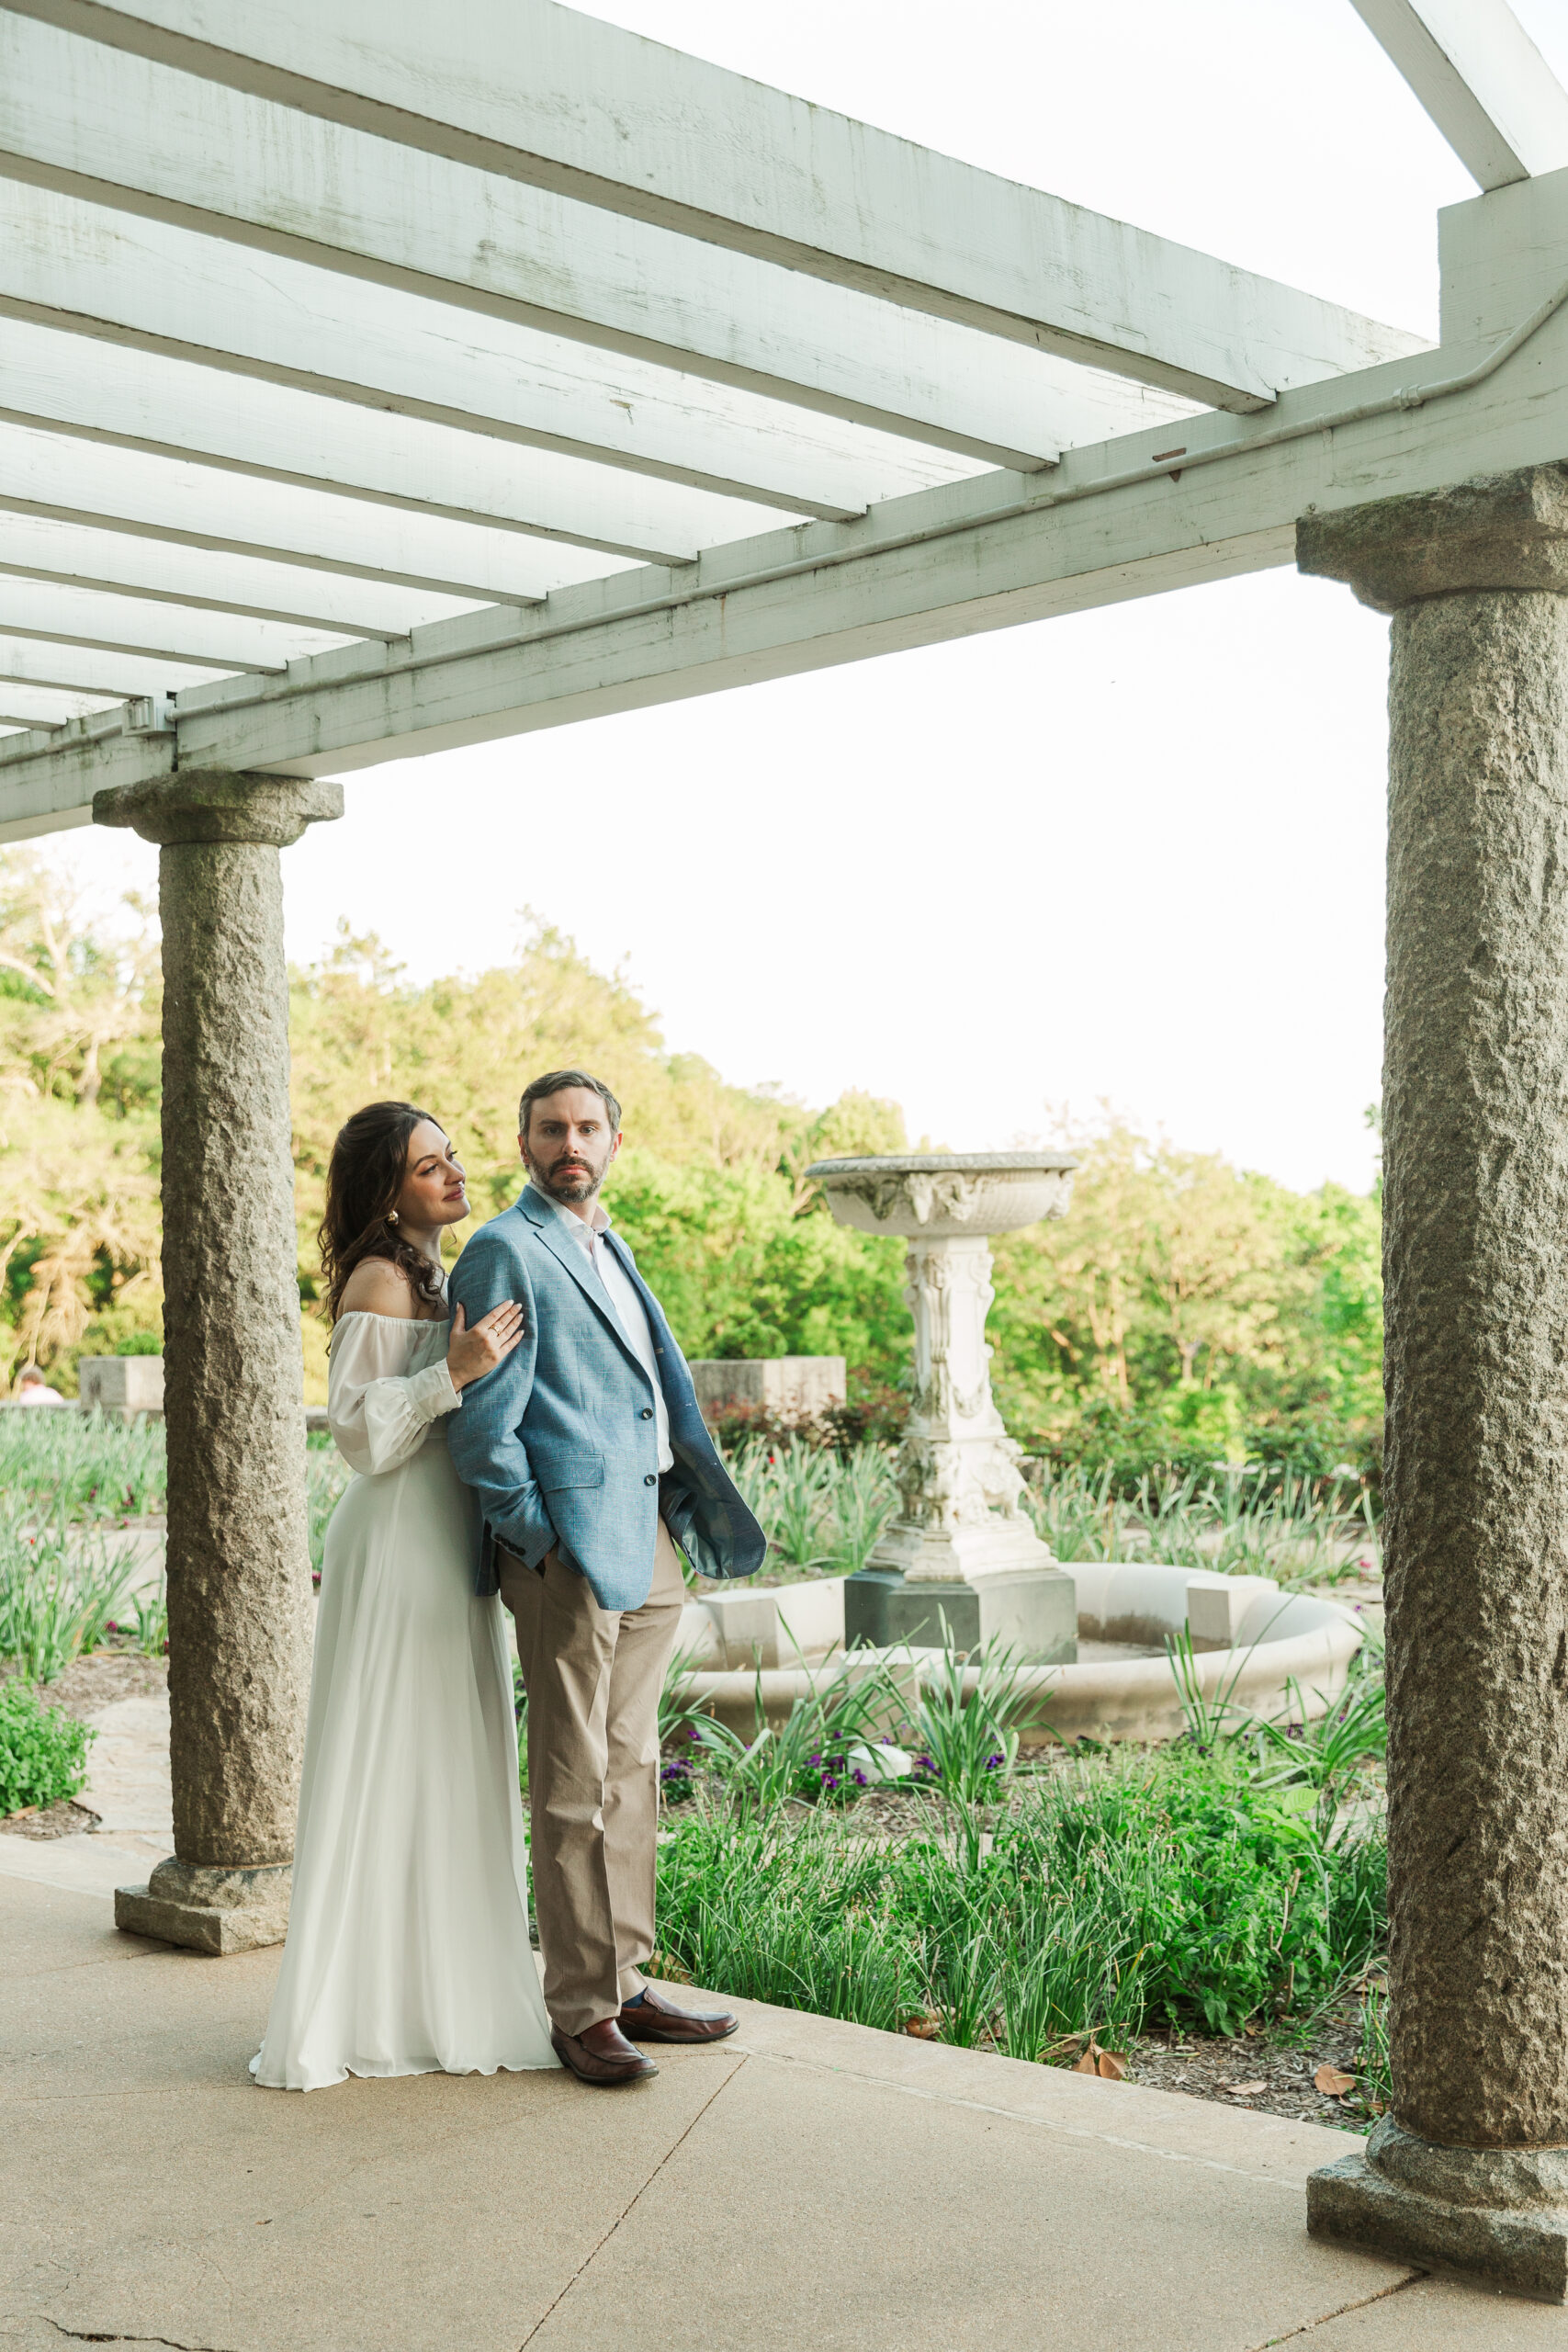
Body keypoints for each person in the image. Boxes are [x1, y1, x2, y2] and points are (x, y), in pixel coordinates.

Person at [448, 1069, 768, 2086]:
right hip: (568, 1554)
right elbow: (488, 1428)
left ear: (615, 1145)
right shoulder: (506, 1246)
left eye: (587, 1127)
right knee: (574, 1779)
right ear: (525, 1142)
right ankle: (579, 2008)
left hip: (648, 1543)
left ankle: (626, 1979)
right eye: (551, 1128)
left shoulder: (609, 1243)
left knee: (630, 1769)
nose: (570, 1143)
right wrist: (535, 1537)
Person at [253, 1102, 557, 2091]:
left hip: (448, 1537)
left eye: (453, 1158)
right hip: (395, 1540)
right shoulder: (381, 1278)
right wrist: (453, 1373)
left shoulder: (440, 1275)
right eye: (429, 1167)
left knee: (446, 1763)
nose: (453, 1175)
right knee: (388, 1762)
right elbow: (357, 1436)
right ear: (388, 1190)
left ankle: (440, 1998)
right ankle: (359, 2009)